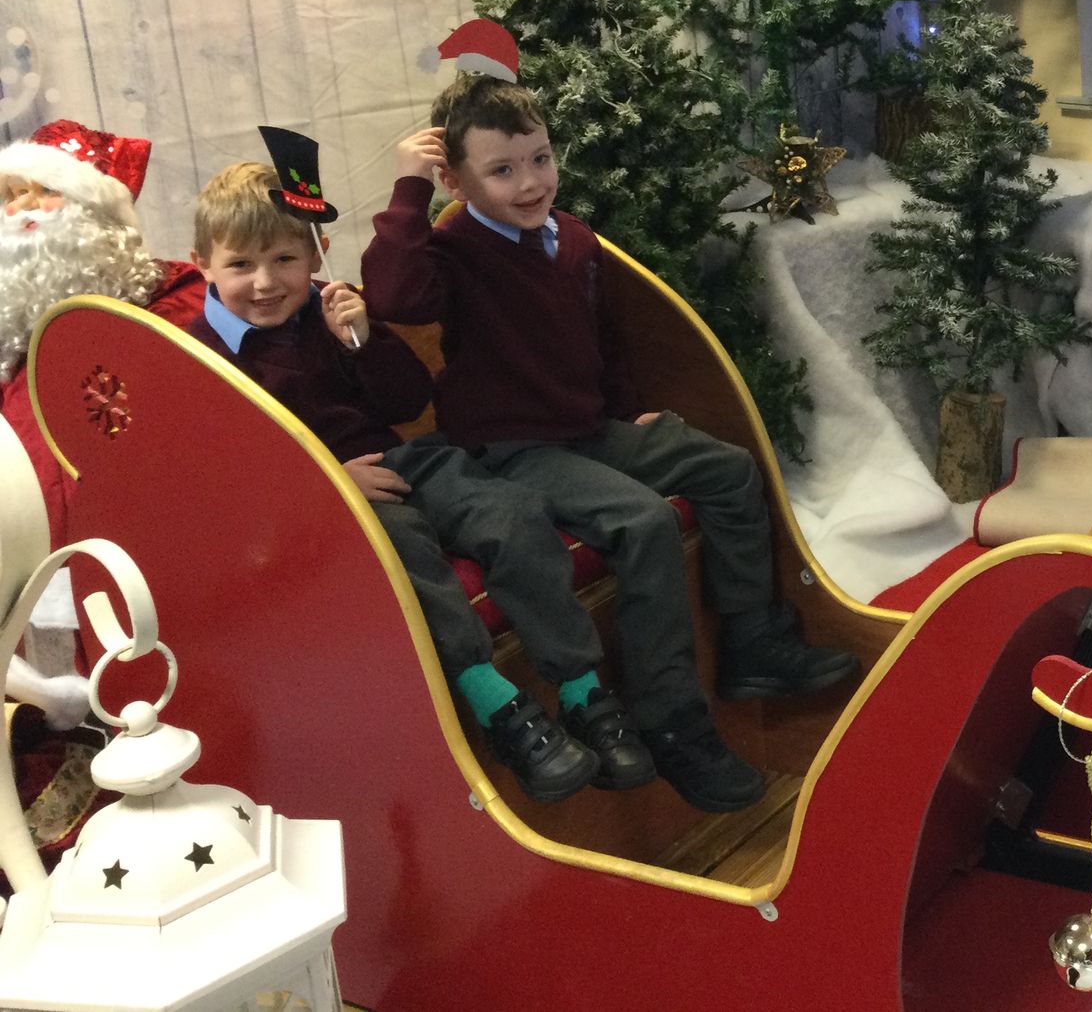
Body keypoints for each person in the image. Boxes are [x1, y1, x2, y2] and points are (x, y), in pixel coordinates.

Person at [363, 74, 857, 813]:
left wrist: (628, 412)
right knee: (644, 521)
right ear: (455, 180)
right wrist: (409, 188)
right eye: (502, 170)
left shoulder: (572, 237)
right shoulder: (455, 249)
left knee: (726, 469)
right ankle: (673, 722)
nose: (530, 183)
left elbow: (601, 338)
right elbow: (395, 295)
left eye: (540, 159)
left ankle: (752, 641)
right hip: (512, 449)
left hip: (589, 430)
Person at [184, 162, 655, 805]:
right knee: (404, 551)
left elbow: (407, 400)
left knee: (513, 513)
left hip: (407, 458)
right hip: (328, 495)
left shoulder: (329, 307)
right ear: (203, 265)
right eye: (241, 265)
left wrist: (363, 341)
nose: (266, 283)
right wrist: (324, 481)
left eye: (285, 259)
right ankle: (499, 708)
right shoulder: (198, 356)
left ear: (314, 253)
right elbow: (223, 471)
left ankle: (581, 691)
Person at [0, 119, 206, 731]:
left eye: (46, 191)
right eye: (11, 196)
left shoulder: (174, 299)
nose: (24, 210)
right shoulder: (10, 340)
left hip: (149, 537)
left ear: (97, 214)